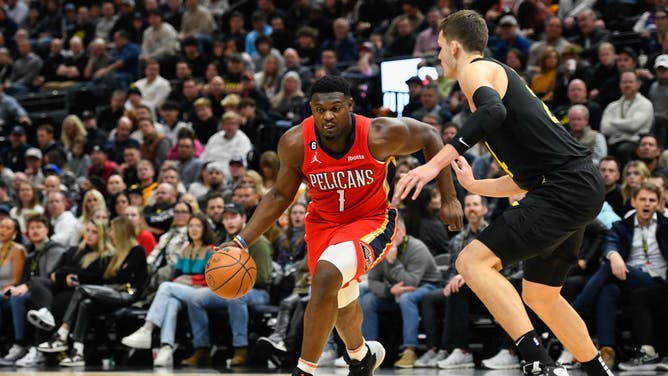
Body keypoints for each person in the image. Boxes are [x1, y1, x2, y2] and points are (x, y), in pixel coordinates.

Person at [395, 10, 612, 376]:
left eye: (439, 51)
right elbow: (527, 178)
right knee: (540, 295)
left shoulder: (475, 70)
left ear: (454, 46)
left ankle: (537, 363)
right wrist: (474, 186)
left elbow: (491, 112)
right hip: (573, 185)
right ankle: (596, 371)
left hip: (565, 187)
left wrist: (434, 165)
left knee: (471, 262)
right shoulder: (494, 78)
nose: (438, 58)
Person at [217, 74, 463, 376]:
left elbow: (430, 137)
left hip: (371, 220)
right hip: (323, 224)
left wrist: (449, 197)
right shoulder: (295, 142)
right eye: (320, 110)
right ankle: (360, 356)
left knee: (324, 276)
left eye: (336, 108)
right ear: (311, 109)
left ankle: (304, 370)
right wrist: (241, 241)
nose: (328, 116)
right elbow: (280, 195)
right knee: (341, 300)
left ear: (350, 105)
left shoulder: (379, 133)